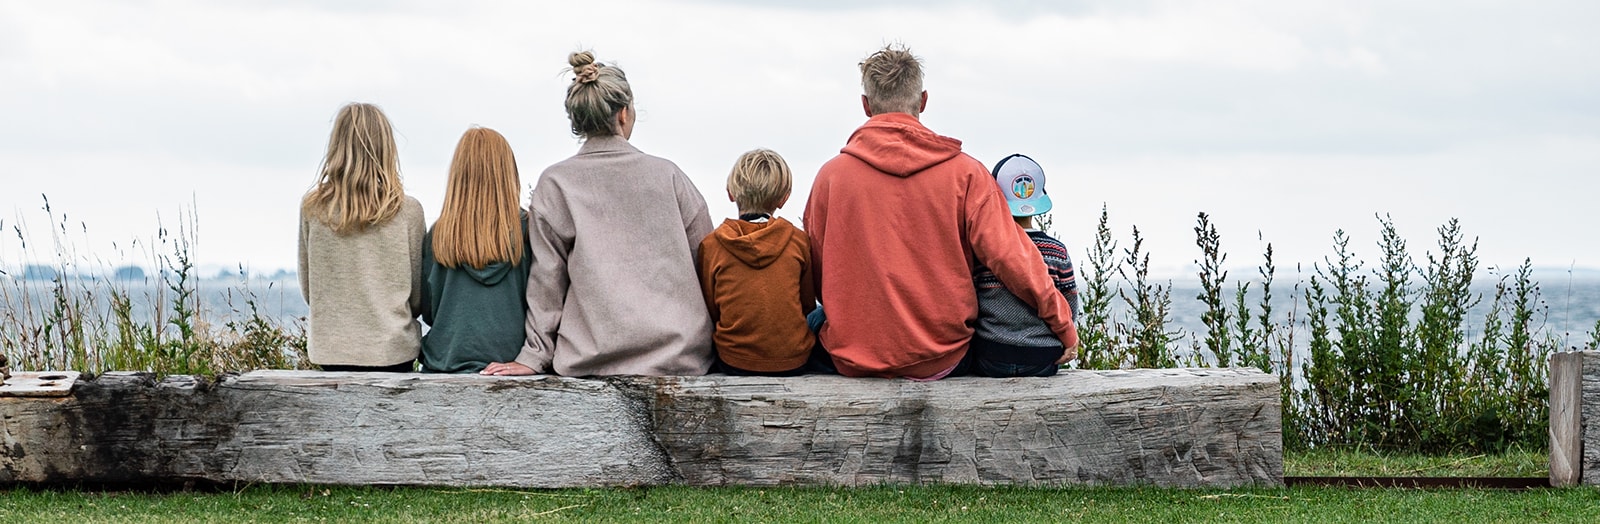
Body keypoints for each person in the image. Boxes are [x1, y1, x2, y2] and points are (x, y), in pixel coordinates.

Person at [802, 44, 1078, 380]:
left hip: (852, 358)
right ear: (923, 101)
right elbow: (1014, 260)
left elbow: (816, 274)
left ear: (865, 105)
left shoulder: (830, 177)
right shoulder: (967, 174)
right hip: (944, 358)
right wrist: (1062, 324)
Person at [482, 51, 714, 377]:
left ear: (577, 120)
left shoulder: (556, 183)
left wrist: (533, 357)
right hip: (679, 357)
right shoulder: (669, 176)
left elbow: (546, 281)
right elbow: (708, 262)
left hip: (590, 361)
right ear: (623, 113)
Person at [298, 102, 425, 372]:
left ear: (337, 147)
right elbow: (417, 298)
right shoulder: (408, 211)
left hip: (331, 351)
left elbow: (310, 290)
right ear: (386, 147)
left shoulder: (313, 208)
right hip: (393, 351)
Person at [419, 127, 533, 373]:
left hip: (444, 366)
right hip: (513, 365)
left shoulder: (438, 235)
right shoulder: (529, 230)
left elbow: (428, 311)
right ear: (508, 173)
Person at [696, 149, 817, 376]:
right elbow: (807, 304)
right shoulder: (799, 241)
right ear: (784, 199)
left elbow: (711, 309)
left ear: (730, 193)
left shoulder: (711, 245)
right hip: (793, 361)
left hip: (733, 360)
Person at [970, 153, 1084, 377]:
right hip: (1043, 359)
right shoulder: (1057, 251)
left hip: (991, 358)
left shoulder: (983, 251)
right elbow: (1069, 308)